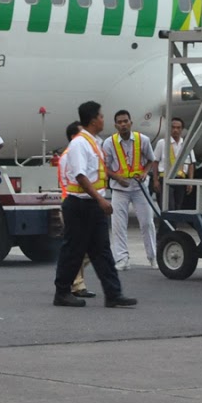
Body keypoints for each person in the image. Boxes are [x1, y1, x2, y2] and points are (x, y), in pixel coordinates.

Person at [53, 100, 135, 308]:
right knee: (73, 250)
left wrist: (113, 180)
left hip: (92, 204)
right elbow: (81, 175)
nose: (103, 119)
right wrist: (101, 200)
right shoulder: (80, 143)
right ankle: (62, 292)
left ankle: (113, 294)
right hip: (80, 204)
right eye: (100, 116)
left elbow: (94, 172)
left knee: (102, 251)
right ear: (92, 120)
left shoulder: (94, 141)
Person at [102, 109, 157, 269]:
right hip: (119, 189)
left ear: (131, 123)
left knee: (147, 222)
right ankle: (122, 259)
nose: (123, 124)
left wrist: (145, 173)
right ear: (115, 125)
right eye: (120, 122)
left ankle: (153, 257)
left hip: (140, 188)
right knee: (118, 224)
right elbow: (104, 167)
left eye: (125, 121)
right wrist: (118, 178)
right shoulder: (109, 143)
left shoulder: (143, 140)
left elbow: (151, 160)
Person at [55, 122, 96, 300]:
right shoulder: (68, 157)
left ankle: (75, 281)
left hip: (79, 204)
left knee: (85, 247)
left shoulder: (76, 154)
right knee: (79, 247)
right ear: (74, 137)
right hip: (72, 204)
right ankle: (75, 284)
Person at [154, 116, 196, 210]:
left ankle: (172, 225)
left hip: (180, 180)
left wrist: (190, 182)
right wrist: (155, 180)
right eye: (173, 127)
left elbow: (191, 164)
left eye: (178, 128)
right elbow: (155, 162)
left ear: (182, 129)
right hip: (165, 179)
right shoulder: (162, 143)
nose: (175, 130)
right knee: (168, 207)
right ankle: (167, 225)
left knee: (177, 208)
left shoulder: (186, 144)